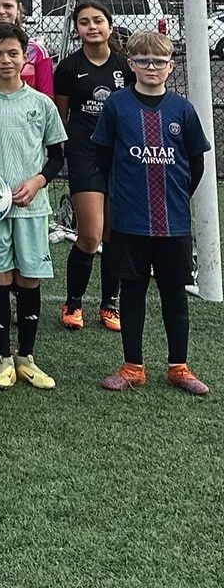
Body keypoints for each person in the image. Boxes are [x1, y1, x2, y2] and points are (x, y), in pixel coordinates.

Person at [94, 31, 211, 396]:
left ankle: (179, 366)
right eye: (143, 60)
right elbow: (103, 157)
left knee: (174, 292)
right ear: (131, 64)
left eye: (159, 62)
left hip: (173, 221)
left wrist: (174, 196)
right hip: (130, 220)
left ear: (170, 66)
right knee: (132, 290)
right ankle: (133, 366)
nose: (151, 67)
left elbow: (195, 163)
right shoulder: (117, 105)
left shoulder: (183, 109)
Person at [0, 21, 68, 392]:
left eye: (13, 53)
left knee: (28, 278)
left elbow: (55, 156)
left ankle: (27, 357)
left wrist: (37, 182)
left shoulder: (42, 104)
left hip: (32, 208)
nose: (6, 60)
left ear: (26, 57)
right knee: (0, 278)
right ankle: (3, 359)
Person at [53, 0, 131, 332]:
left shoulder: (126, 66)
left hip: (119, 157)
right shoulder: (69, 67)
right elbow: (60, 115)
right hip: (84, 154)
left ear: (109, 26)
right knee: (90, 234)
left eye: (97, 20)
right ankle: (73, 303)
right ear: (77, 30)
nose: (92, 27)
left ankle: (109, 304)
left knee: (114, 234)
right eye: (84, 22)